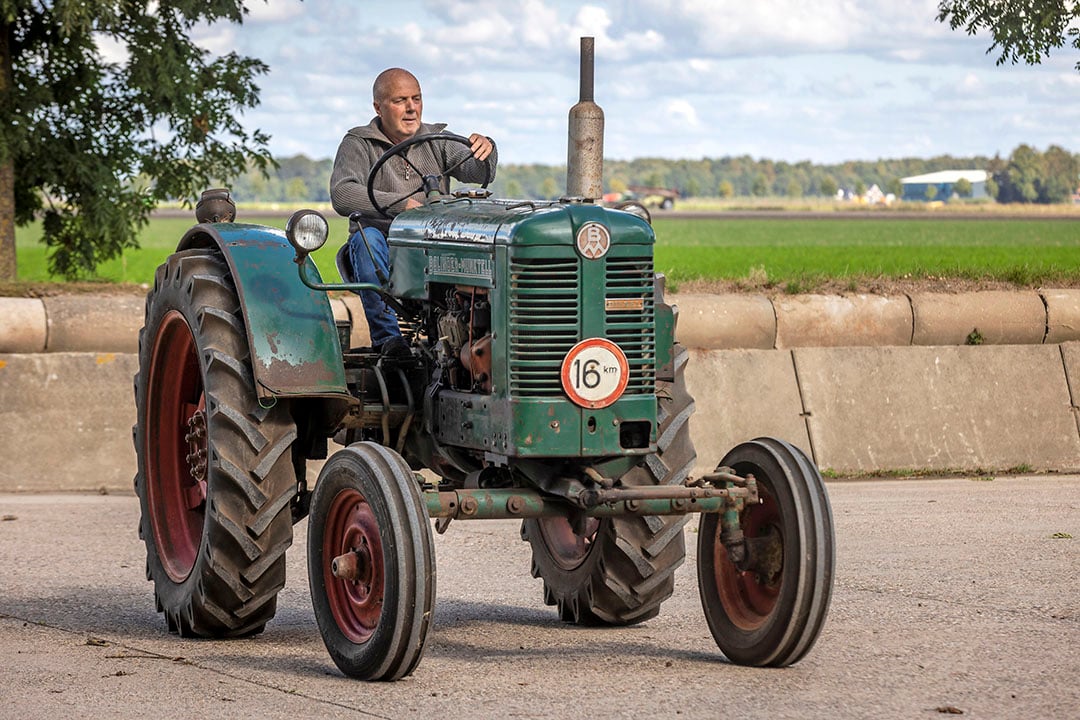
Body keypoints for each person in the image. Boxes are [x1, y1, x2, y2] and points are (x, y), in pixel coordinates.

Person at [329, 68, 497, 356]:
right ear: (378, 107)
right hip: (383, 240)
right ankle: (389, 342)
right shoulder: (359, 143)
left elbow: (475, 169)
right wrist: (402, 205)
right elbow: (343, 193)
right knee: (365, 239)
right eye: (400, 101)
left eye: (416, 99)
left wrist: (487, 149)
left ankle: (472, 336)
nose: (411, 109)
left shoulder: (437, 140)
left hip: (432, 241)